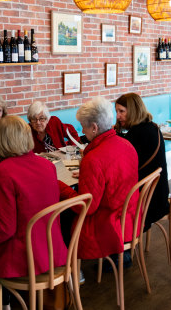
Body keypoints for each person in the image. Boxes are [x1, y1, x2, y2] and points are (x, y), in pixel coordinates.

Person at [0, 116, 67, 310]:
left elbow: (3, 229)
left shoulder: (1, 173)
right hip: (52, 249)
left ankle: (2, 305)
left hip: (27, 256)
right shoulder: (47, 165)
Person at [58, 96, 139, 261]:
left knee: (59, 217)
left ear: (94, 127)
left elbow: (86, 208)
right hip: (130, 216)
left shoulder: (93, 158)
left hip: (109, 224)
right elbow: (113, 176)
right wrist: (89, 176)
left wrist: (59, 186)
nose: (82, 132)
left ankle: (69, 270)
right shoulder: (126, 145)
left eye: (83, 127)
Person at [114, 93, 170, 228]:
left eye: (121, 111)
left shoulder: (137, 134)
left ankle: (122, 244)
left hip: (147, 203)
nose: (117, 116)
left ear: (133, 111)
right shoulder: (151, 127)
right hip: (159, 195)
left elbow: (121, 165)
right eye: (116, 111)